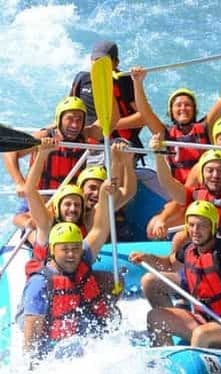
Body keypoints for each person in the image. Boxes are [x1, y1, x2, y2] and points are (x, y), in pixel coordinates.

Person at [128, 200, 221, 348]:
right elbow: (169, 264)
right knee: (155, 317)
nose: (195, 230)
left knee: (200, 335)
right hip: (203, 318)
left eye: (202, 225)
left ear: (213, 227)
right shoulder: (189, 249)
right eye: (191, 225)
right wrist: (146, 257)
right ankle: (168, 365)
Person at [18, 182, 114, 362]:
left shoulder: (82, 256)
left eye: (75, 248)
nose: (71, 254)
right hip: (51, 348)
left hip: (79, 334)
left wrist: (103, 195)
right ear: (53, 251)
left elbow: (99, 229)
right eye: (65, 249)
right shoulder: (40, 284)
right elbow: (31, 344)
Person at [23, 139, 128, 292]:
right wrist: (42, 154)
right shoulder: (46, 226)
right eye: (67, 204)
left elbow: (102, 223)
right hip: (47, 289)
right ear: (58, 207)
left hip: (74, 288)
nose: (73, 209)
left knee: (111, 280)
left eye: (77, 205)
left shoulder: (85, 231)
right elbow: (30, 190)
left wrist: (116, 162)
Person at [130, 50, 221, 184]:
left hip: (205, 188)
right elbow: (145, 112)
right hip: (180, 191)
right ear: (171, 112)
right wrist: (137, 83)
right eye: (178, 105)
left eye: (187, 105)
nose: (183, 108)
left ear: (195, 110)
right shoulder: (165, 133)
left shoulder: (205, 127)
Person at [148, 115, 221, 244]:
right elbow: (169, 185)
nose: (215, 176)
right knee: (177, 238)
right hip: (205, 224)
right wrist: (159, 155)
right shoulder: (197, 185)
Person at [5, 96, 114, 231]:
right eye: (70, 119)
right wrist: (19, 182)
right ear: (59, 119)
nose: (75, 125)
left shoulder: (86, 134)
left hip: (69, 200)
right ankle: (31, 230)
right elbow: (10, 152)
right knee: (25, 220)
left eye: (79, 120)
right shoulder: (43, 137)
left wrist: (109, 86)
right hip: (41, 197)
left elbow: (111, 120)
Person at [70, 40, 147, 166]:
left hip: (117, 143)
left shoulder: (125, 82)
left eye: (104, 61)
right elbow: (69, 109)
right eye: (96, 60)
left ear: (116, 62)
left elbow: (143, 117)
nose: (98, 64)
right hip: (84, 142)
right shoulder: (82, 79)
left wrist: (106, 125)